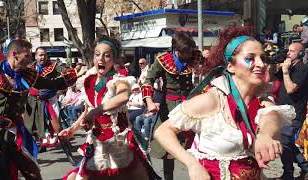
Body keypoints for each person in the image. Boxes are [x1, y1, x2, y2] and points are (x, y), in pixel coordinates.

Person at [154, 26, 295, 180]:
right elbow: (163, 131)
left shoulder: (261, 97)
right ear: (230, 66)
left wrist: (265, 135)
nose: (261, 64)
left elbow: (271, 115)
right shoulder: (213, 99)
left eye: (263, 58)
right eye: (250, 58)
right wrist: (192, 164)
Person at [58, 36, 160, 180]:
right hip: (97, 139)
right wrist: (72, 129)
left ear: (114, 59)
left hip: (120, 141)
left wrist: (96, 111)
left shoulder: (118, 80)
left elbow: (123, 96)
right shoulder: (89, 80)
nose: (101, 59)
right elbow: (86, 111)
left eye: (107, 56)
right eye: (97, 54)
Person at [0, 39, 81, 179]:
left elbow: (52, 84)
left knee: (32, 171)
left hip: (15, 131)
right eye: (27, 55)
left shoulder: (29, 75)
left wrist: (76, 73)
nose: (31, 59)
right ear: (15, 54)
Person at [141, 32, 197, 180]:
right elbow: (148, 81)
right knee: (167, 149)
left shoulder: (194, 55)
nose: (188, 55)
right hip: (169, 107)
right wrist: (149, 101)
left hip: (191, 106)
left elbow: (210, 71)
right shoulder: (162, 59)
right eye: (184, 52)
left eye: (189, 52)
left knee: (199, 144)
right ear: (175, 49)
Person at [24, 47, 86, 164]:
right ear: (36, 56)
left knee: (58, 129)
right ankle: (31, 159)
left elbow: (65, 70)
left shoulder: (53, 66)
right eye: (40, 55)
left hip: (49, 100)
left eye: (45, 55)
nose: (43, 57)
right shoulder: (30, 68)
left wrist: (72, 71)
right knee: (30, 130)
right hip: (33, 101)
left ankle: (69, 155)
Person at [276, 42, 308, 179]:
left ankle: (288, 173)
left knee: (284, 141)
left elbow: (290, 89)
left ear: (300, 53)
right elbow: (273, 78)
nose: (288, 53)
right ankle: (305, 166)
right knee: (286, 142)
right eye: (288, 50)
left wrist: (285, 71)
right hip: (282, 112)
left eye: (292, 51)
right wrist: (275, 63)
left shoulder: (303, 68)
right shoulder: (288, 67)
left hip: (295, 113)